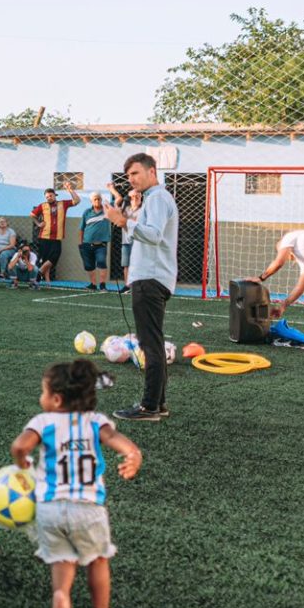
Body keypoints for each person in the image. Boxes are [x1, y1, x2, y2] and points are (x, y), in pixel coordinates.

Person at [9, 358, 142, 608]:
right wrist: (133, 455)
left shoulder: (42, 422)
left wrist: (23, 463)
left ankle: (61, 595)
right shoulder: (95, 422)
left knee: (62, 558)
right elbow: (118, 441)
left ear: (56, 399)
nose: (41, 397)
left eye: (43, 392)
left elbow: (20, 446)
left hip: (49, 508)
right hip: (87, 508)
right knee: (98, 560)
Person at [105, 154, 178, 422]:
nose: (131, 179)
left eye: (136, 173)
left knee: (150, 343)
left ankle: (149, 407)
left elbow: (154, 235)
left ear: (152, 171)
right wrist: (125, 220)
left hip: (150, 278)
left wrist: (123, 221)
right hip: (152, 277)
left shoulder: (157, 198)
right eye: (128, 176)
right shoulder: (155, 199)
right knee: (153, 342)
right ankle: (158, 404)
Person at [30, 180, 80, 287]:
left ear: (55, 195)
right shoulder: (42, 206)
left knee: (54, 257)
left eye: (50, 196)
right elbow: (32, 214)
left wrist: (70, 189)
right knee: (46, 260)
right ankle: (46, 281)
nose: (49, 198)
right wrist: (38, 224)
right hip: (44, 237)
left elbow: (77, 200)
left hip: (57, 238)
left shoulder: (63, 204)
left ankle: (38, 275)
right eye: (47, 197)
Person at [78, 190, 116, 291]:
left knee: (102, 263)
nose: (97, 201)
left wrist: (113, 190)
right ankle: (93, 285)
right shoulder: (87, 212)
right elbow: (81, 228)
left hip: (101, 244)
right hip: (86, 244)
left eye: (99, 199)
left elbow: (118, 200)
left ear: (101, 199)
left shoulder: (106, 210)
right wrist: (81, 243)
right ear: (91, 201)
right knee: (89, 266)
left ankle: (102, 285)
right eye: (95, 199)